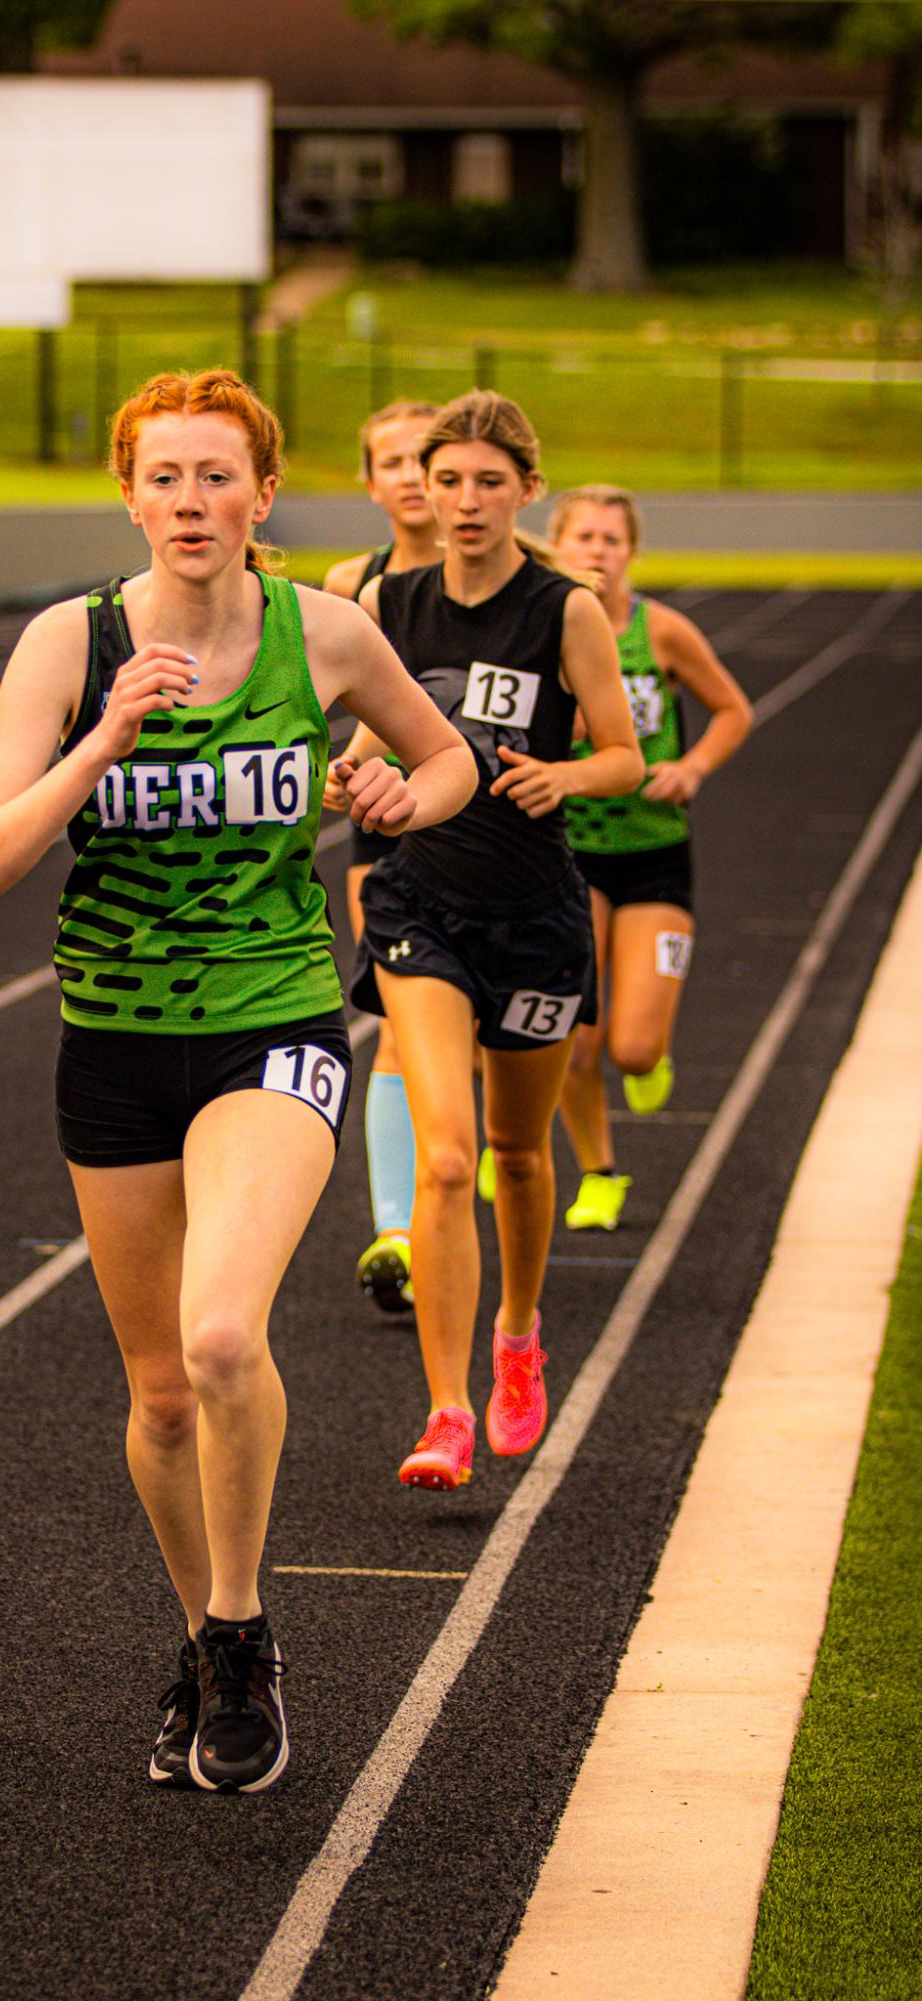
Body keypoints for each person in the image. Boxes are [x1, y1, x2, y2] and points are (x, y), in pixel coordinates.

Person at [0, 368, 473, 1793]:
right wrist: (99, 741)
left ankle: (243, 1632)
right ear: (127, 494)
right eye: (163, 477)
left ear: (262, 491)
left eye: (216, 476)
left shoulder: (325, 631)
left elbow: (447, 764)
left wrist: (392, 797)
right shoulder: (69, 643)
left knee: (225, 1335)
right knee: (162, 1393)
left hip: (272, 1016)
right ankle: (198, 1632)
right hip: (112, 1039)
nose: (191, 502)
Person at [338, 390, 643, 1489]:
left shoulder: (563, 611)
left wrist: (563, 774)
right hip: (421, 903)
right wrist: (354, 775)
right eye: (444, 479)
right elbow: (374, 735)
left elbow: (622, 755)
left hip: (533, 915)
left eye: (485, 482)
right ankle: (447, 1410)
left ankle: (517, 1336)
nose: (460, 501)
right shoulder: (388, 601)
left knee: (517, 1154)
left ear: (526, 489)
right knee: (446, 1155)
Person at [549, 485, 752, 1229]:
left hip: (656, 852)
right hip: (574, 853)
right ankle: (599, 1173)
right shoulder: (547, 628)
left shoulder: (661, 632)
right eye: (585, 538)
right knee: (576, 1038)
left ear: (631, 551)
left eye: (612, 539)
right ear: (558, 545)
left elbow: (734, 709)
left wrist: (692, 766)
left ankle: (649, 1053)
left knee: (631, 1047)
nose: (598, 551)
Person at [323, 401, 443, 1317]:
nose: (409, 476)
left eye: (425, 459)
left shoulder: (520, 582)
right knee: (400, 1012)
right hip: (384, 819)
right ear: (370, 481)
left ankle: (458, 1174)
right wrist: (347, 766)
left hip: (492, 827)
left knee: (467, 1033)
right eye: (391, 462)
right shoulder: (352, 582)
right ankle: (399, 1228)